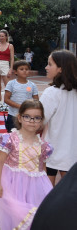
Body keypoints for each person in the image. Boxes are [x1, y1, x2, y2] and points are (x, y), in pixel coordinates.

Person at [0, 99, 53, 229]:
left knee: (36, 216)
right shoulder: (10, 139)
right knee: (14, 216)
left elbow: (43, 168)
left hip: (36, 187)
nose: (32, 121)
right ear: (19, 118)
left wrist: (46, 188)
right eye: (27, 117)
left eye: (37, 118)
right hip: (13, 185)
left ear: (41, 121)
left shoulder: (43, 145)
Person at [40, 49, 77, 185]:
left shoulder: (52, 93)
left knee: (48, 194)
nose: (46, 67)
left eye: (50, 64)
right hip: (71, 152)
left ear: (60, 69)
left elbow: (40, 120)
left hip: (53, 151)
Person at [3, 60, 38, 133]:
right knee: (13, 137)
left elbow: (36, 101)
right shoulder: (11, 84)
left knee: (27, 135)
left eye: (27, 69)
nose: (25, 71)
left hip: (28, 117)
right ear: (15, 72)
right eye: (21, 69)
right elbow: (6, 99)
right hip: (13, 115)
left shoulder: (32, 85)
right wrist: (20, 106)